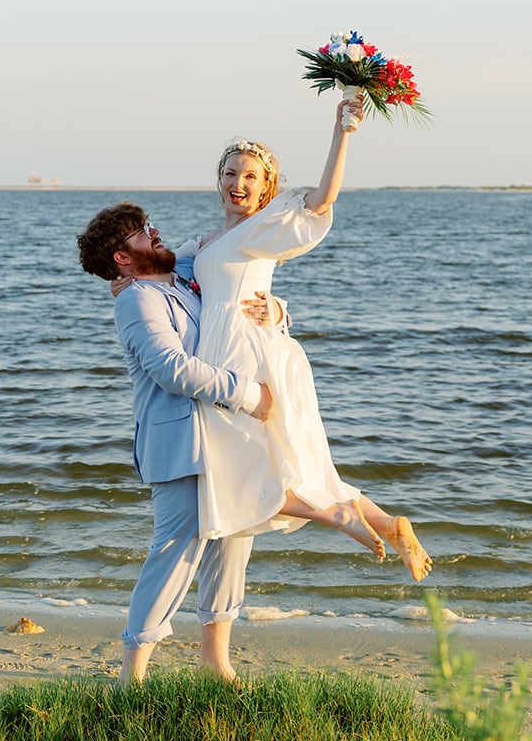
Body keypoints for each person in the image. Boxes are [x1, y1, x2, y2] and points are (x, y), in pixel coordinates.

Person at [180, 94, 433, 581]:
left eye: (250, 176)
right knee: (294, 463)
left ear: (266, 187)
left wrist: (343, 131)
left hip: (244, 355)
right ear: (219, 179)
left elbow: (322, 200)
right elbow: (171, 273)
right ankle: (386, 521)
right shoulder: (207, 241)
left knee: (240, 472)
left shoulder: (262, 228)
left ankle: (336, 515)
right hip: (231, 347)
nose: (238, 183)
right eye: (231, 173)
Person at [76, 203, 281, 683]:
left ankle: (216, 662)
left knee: (233, 540)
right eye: (143, 232)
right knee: (175, 550)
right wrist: (249, 394)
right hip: (178, 443)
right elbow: (171, 369)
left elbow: (232, 272)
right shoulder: (135, 300)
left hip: (223, 436)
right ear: (123, 259)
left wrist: (275, 309)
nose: (156, 232)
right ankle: (133, 674)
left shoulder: (182, 275)